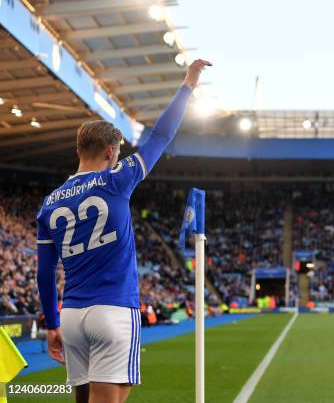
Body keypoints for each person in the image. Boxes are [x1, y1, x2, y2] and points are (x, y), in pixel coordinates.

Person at [36, 59, 211, 403]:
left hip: (71, 316)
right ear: (111, 152)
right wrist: (188, 84)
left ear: (78, 151)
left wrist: (52, 324)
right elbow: (161, 135)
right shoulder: (117, 179)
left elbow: (44, 271)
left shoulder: (49, 203)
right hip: (113, 311)